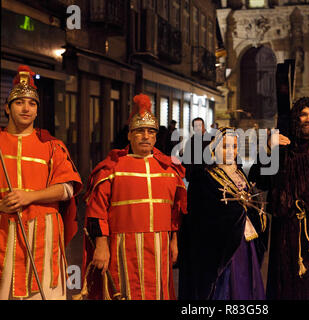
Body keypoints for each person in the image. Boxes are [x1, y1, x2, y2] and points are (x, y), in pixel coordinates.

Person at [81, 94, 187, 300]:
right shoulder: (111, 169)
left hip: (159, 247)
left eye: (150, 131)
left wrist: (174, 241)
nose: (145, 136)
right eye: (139, 131)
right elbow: (96, 211)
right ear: (129, 135)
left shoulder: (169, 170)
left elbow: (176, 211)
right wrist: (101, 245)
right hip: (122, 247)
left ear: (156, 137)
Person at [249, 97, 309, 300]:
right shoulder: (282, 146)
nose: (308, 119)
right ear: (296, 118)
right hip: (285, 228)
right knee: (286, 286)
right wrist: (268, 149)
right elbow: (260, 180)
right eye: (304, 114)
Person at [0, 65, 82, 300]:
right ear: (7, 108)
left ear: (37, 111)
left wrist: (30, 196)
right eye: (19, 103)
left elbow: (67, 189)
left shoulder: (51, 145)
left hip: (44, 238)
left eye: (32, 104)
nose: (26, 108)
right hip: (4, 234)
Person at [178, 127, 268, 300]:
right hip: (221, 247)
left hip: (243, 241)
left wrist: (251, 207)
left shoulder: (239, 173)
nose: (230, 151)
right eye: (225, 146)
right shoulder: (204, 177)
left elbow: (251, 203)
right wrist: (233, 213)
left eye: (234, 147)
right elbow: (200, 217)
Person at [181, 117, 213, 182]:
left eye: (200, 125)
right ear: (193, 128)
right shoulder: (190, 141)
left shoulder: (212, 140)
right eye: (196, 126)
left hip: (209, 176)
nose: (198, 128)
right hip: (194, 176)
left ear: (203, 126)